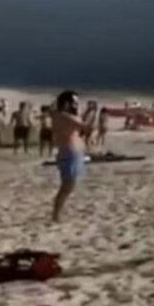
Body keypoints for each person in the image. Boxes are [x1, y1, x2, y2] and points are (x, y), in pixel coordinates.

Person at [50, 91, 93, 222]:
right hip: (71, 153)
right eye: (74, 102)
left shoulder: (58, 115)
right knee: (67, 186)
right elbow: (87, 128)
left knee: (67, 185)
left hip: (67, 152)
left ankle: (57, 213)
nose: (76, 105)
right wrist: (90, 114)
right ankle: (56, 214)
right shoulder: (67, 117)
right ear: (67, 103)